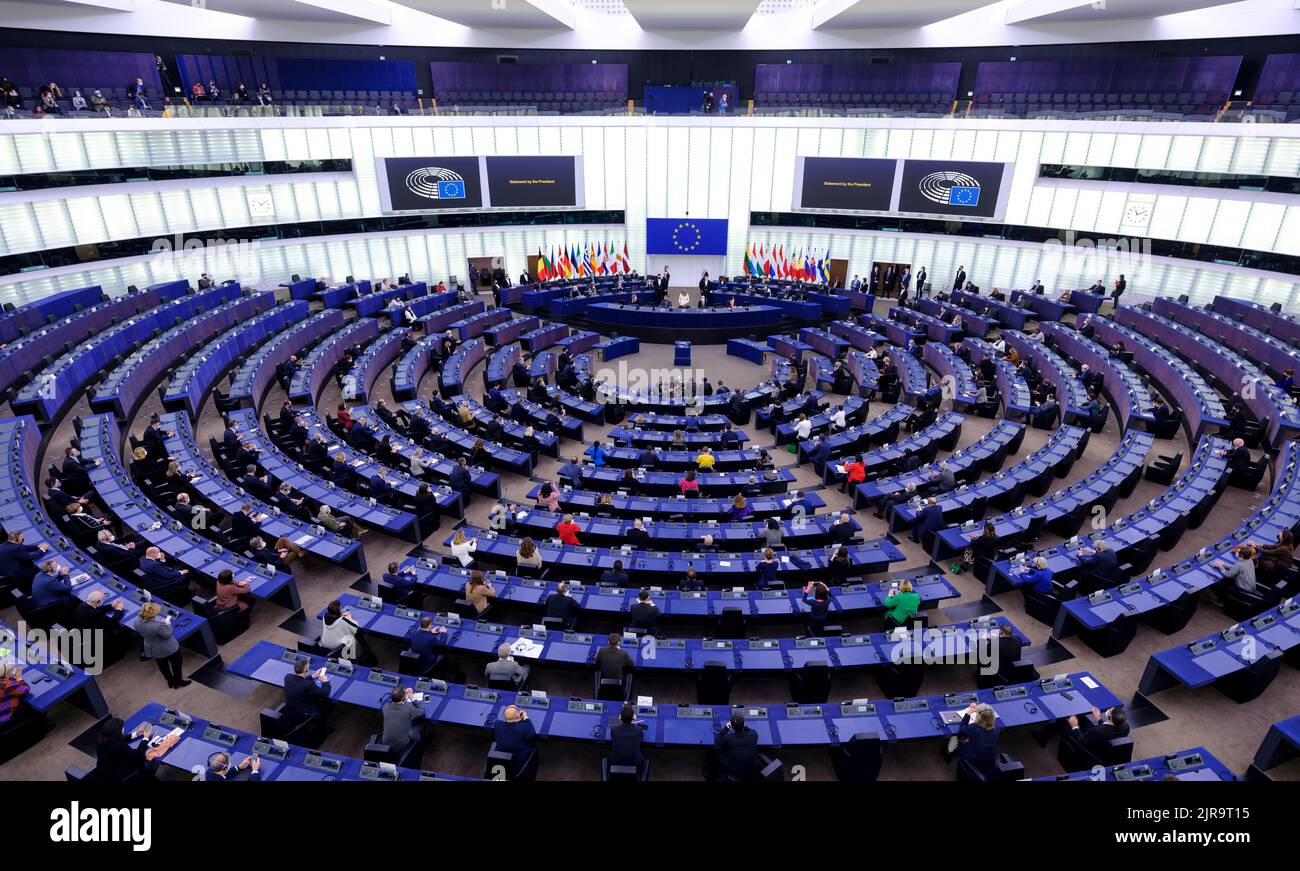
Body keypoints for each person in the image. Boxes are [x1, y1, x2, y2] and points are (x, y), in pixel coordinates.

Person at [135, 602, 190, 689]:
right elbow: (167, 634)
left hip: (154, 648)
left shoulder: (137, 622)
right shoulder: (157, 626)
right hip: (168, 648)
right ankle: (178, 681)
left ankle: (170, 682)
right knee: (176, 664)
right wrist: (168, 625)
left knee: (163, 666)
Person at [91, 717, 154, 783]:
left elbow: (119, 739)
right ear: (117, 732)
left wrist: (136, 734)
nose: (123, 728)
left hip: (105, 774)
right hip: (124, 776)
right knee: (151, 761)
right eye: (122, 727)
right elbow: (138, 755)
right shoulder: (120, 746)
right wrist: (145, 738)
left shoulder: (101, 742)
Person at [956, 702, 1002, 778]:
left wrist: (969, 712)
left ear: (979, 717)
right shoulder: (997, 727)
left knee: (960, 738)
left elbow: (962, 728)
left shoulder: (974, 728)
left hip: (973, 759)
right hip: (991, 760)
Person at [282, 658, 331, 728]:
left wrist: (313, 676)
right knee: (325, 705)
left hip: (289, 711)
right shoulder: (308, 685)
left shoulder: (287, 677)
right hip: (304, 713)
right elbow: (325, 692)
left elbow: (300, 681)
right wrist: (325, 681)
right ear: (307, 670)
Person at [713, 712, 760, 781]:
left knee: (717, 753)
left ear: (731, 726)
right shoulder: (753, 734)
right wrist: (743, 726)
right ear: (743, 724)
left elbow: (717, 741)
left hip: (735, 769)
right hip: (751, 767)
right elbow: (750, 730)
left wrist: (726, 727)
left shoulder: (728, 738)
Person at [492, 705, 537, 769]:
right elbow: (532, 733)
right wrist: (526, 718)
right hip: (517, 758)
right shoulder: (524, 727)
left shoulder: (497, 724)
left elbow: (509, 724)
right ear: (517, 716)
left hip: (501, 754)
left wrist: (517, 720)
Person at [609, 703, 645, 770]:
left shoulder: (614, 730)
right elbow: (641, 739)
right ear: (633, 718)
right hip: (635, 762)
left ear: (620, 718)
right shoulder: (639, 730)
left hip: (617, 761)